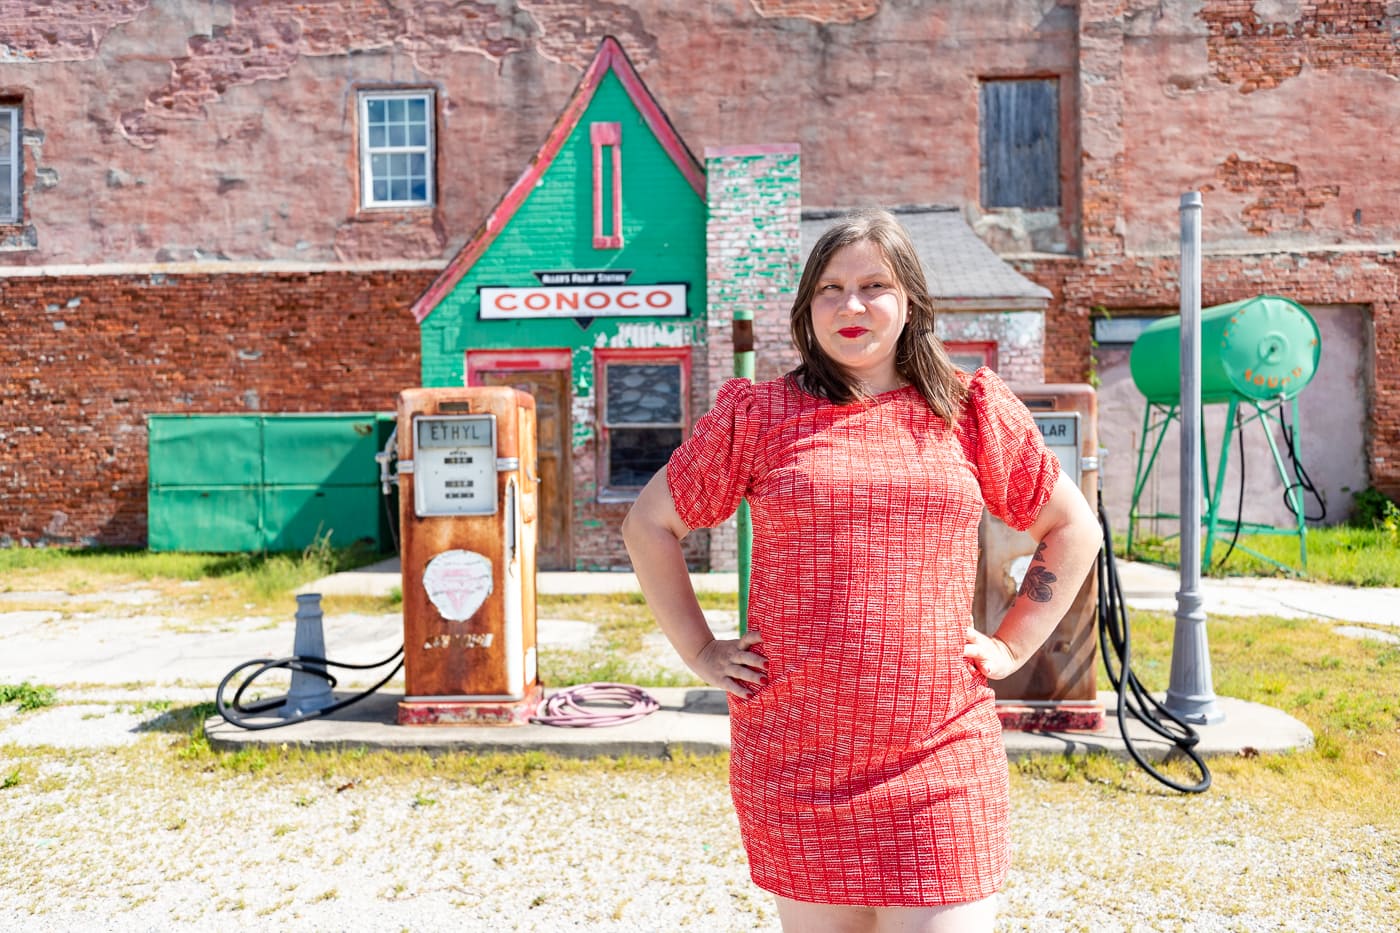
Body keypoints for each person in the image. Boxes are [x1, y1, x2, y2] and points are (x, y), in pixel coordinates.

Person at [622, 209, 1102, 933]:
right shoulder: (760, 415)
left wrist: (1011, 644)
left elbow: (1074, 528)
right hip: (798, 758)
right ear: (806, 308)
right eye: (830, 288)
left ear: (909, 301)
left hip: (940, 752)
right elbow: (648, 524)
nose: (850, 305)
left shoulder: (969, 411)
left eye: (873, 285)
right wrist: (700, 649)